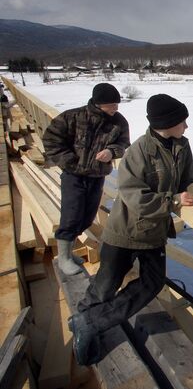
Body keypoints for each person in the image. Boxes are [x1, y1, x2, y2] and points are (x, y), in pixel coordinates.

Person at [68, 93, 193, 365]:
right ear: (167, 123)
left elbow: (188, 180)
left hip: (153, 232)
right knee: (106, 284)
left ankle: (87, 321)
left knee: (152, 282)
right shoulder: (139, 151)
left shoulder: (182, 146)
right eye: (182, 121)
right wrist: (171, 201)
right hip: (126, 230)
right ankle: (86, 321)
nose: (186, 126)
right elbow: (133, 195)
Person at [43, 83, 130, 276]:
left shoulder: (118, 122)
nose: (115, 108)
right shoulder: (73, 116)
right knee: (71, 214)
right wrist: (70, 162)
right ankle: (64, 257)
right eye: (111, 105)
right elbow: (51, 139)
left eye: (117, 104)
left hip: (97, 176)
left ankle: (70, 252)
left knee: (87, 216)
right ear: (99, 104)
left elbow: (123, 143)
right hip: (73, 175)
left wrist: (111, 151)